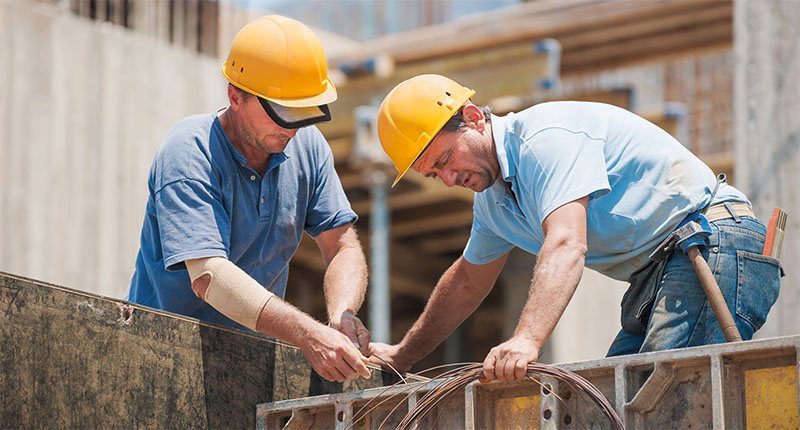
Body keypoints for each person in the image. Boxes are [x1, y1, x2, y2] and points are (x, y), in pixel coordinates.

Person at [368, 74, 781, 382]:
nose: (449, 178)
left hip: (715, 243)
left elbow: (567, 243)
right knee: (612, 402)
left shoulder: (545, 139)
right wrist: (403, 356)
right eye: (434, 175)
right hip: (667, 271)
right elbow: (465, 284)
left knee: (662, 396)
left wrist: (527, 340)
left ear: (474, 118)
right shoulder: (494, 204)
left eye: (445, 160)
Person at [125, 15, 371, 382]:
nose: (291, 127)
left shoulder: (308, 147)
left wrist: (342, 314)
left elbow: (342, 247)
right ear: (235, 96)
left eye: (302, 112)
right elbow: (209, 276)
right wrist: (307, 334)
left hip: (250, 362)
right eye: (280, 112)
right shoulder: (190, 151)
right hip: (160, 357)